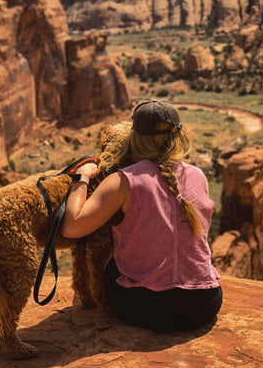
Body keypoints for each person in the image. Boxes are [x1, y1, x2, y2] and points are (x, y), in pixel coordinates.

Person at [61, 99, 222, 332]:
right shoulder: (198, 175)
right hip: (205, 303)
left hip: (147, 307)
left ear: (134, 137)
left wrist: (82, 177)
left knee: (111, 260)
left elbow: (72, 227)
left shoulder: (124, 180)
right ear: (179, 136)